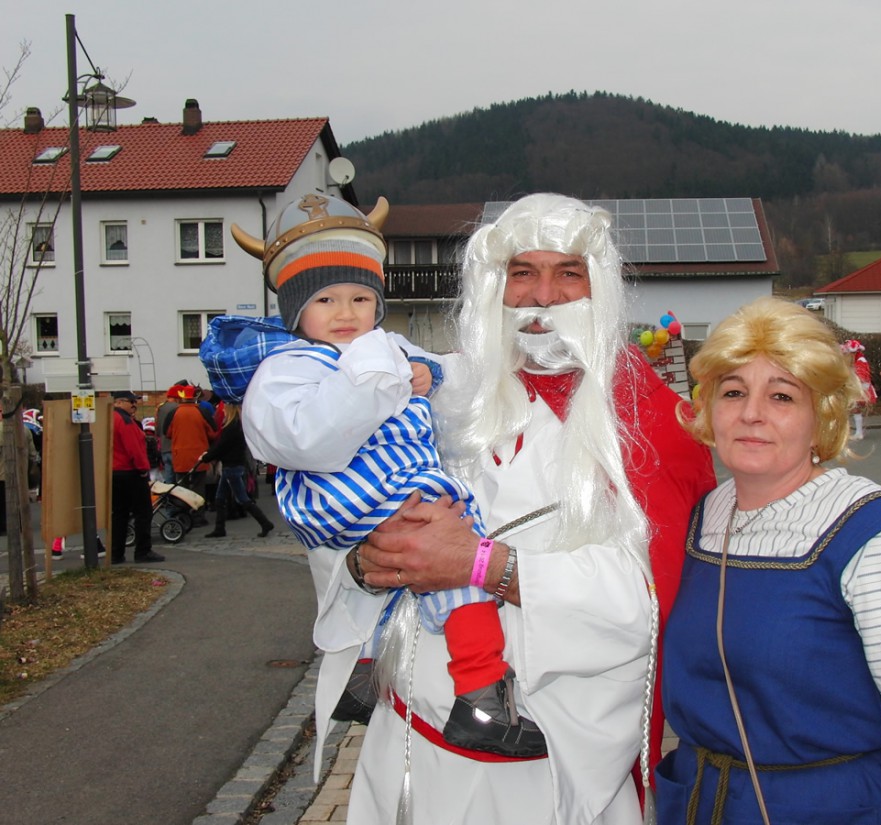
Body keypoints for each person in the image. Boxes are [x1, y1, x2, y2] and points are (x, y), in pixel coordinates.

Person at [346, 193, 715, 824]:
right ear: (497, 287)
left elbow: (654, 604)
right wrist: (366, 560)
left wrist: (481, 564)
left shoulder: (649, 422)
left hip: (546, 780)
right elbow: (347, 516)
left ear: (598, 288)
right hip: (405, 749)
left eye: (568, 273)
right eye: (523, 273)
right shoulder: (436, 394)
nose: (544, 295)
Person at [225, 193, 549, 759]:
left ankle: (363, 672)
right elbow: (305, 438)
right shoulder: (286, 367)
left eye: (359, 297)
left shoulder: (389, 348)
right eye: (325, 299)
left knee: (394, 573)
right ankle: (480, 697)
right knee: (460, 562)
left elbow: (454, 377)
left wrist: (430, 374)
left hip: (376, 491)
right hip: (355, 488)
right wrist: (377, 379)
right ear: (296, 311)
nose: (346, 313)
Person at [657, 296, 881, 825]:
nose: (751, 414)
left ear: (822, 415)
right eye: (733, 391)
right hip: (705, 804)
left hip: (828, 808)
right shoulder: (702, 518)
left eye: (782, 396)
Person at [199, 403, 274, 539]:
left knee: (241, 498)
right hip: (234, 464)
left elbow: (222, 446)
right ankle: (219, 528)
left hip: (231, 465)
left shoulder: (231, 427)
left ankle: (265, 522)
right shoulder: (237, 425)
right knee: (220, 498)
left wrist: (208, 456)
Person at [110, 391, 163, 563]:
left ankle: (116, 553)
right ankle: (143, 551)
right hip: (130, 472)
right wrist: (143, 469)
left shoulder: (109, 419)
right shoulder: (125, 421)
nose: (134, 405)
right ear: (118, 402)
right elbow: (134, 449)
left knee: (119, 514)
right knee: (143, 513)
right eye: (131, 402)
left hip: (114, 472)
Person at [164, 385, 216, 524]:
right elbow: (213, 432)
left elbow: (167, 433)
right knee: (199, 487)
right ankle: (198, 516)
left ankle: (184, 516)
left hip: (180, 455)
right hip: (199, 455)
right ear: (195, 397)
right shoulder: (202, 412)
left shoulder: (173, 413)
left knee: (182, 488)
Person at [842, 338, 876, 440]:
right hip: (857, 387)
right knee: (855, 409)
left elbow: (863, 377)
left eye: (851, 353)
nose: (849, 355)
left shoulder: (861, 361)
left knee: (855, 408)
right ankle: (858, 431)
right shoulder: (854, 361)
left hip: (862, 388)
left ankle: (859, 432)